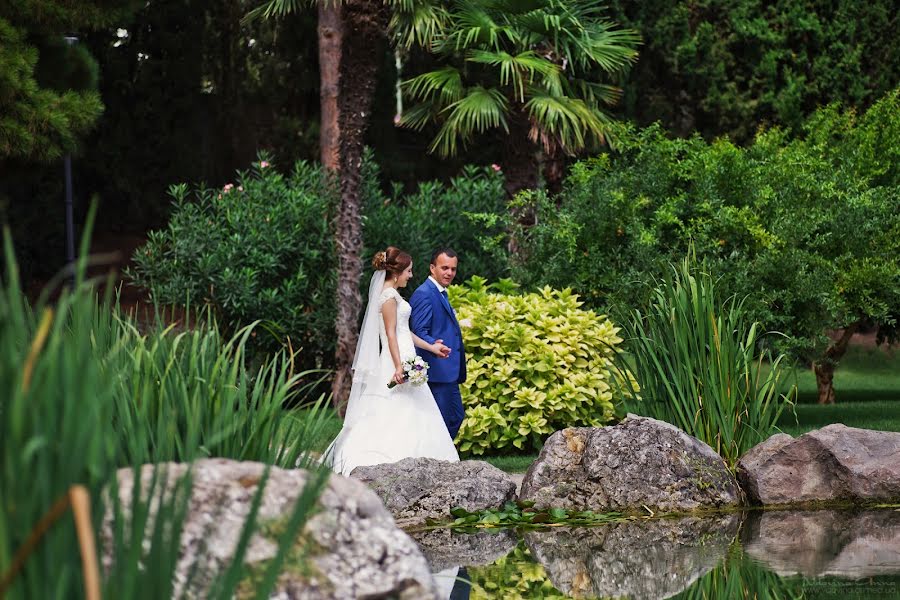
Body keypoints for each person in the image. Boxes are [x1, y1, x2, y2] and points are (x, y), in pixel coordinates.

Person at [325, 247, 459, 476]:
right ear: (396, 273)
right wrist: (399, 366)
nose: (411, 275)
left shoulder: (395, 296)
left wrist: (431, 347)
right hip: (395, 359)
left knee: (416, 409)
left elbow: (405, 331)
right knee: (393, 408)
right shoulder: (387, 297)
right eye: (408, 271)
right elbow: (390, 334)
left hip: (406, 356)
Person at [410, 248, 466, 439]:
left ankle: (440, 459)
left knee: (455, 416)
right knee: (446, 419)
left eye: (453, 269)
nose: (449, 273)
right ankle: (437, 461)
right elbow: (418, 331)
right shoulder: (424, 293)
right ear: (432, 268)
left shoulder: (440, 292)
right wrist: (434, 344)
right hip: (437, 369)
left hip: (447, 370)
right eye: (444, 268)